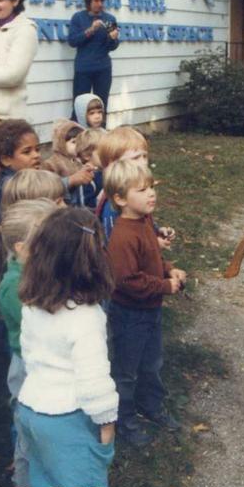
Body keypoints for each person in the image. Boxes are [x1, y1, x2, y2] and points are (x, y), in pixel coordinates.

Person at [16, 208, 117, 487]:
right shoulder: (87, 318)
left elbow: (27, 352)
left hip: (31, 409)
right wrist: (107, 424)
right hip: (69, 419)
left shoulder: (33, 303)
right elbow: (94, 381)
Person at [104, 160, 186, 447]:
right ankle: (125, 420)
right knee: (126, 370)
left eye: (151, 187)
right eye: (142, 189)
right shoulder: (123, 236)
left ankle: (151, 406)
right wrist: (165, 286)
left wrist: (168, 269)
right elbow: (127, 281)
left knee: (152, 363)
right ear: (120, 198)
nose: (151, 193)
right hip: (129, 315)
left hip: (150, 310)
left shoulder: (145, 223)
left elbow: (152, 257)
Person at [0, 198, 57, 487]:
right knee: (29, 437)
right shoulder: (14, 287)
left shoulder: (36, 271)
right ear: (23, 248)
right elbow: (43, 326)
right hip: (28, 367)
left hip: (45, 364)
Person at [68, 0, 120, 117]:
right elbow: (72, 41)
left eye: (102, 1)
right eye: (96, 0)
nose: (100, 4)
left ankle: (101, 137)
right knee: (79, 107)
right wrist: (91, 30)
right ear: (89, 1)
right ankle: (77, 137)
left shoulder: (110, 19)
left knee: (101, 106)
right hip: (83, 69)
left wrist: (113, 38)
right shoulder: (78, 18)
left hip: (103, 69)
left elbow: (113, 47)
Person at [0, 118, 42, 229]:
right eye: (27, 152)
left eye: (37, 149)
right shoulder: (11, 187)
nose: (36, 155)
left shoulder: (26, 177)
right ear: (6, 159)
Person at [43, 120, 100, 207]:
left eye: (80, 142)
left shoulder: (79, 160)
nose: (78, 145)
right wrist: (71, 180)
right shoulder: (52, 164)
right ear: (61, 143)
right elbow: (49, 188)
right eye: (74, 142)